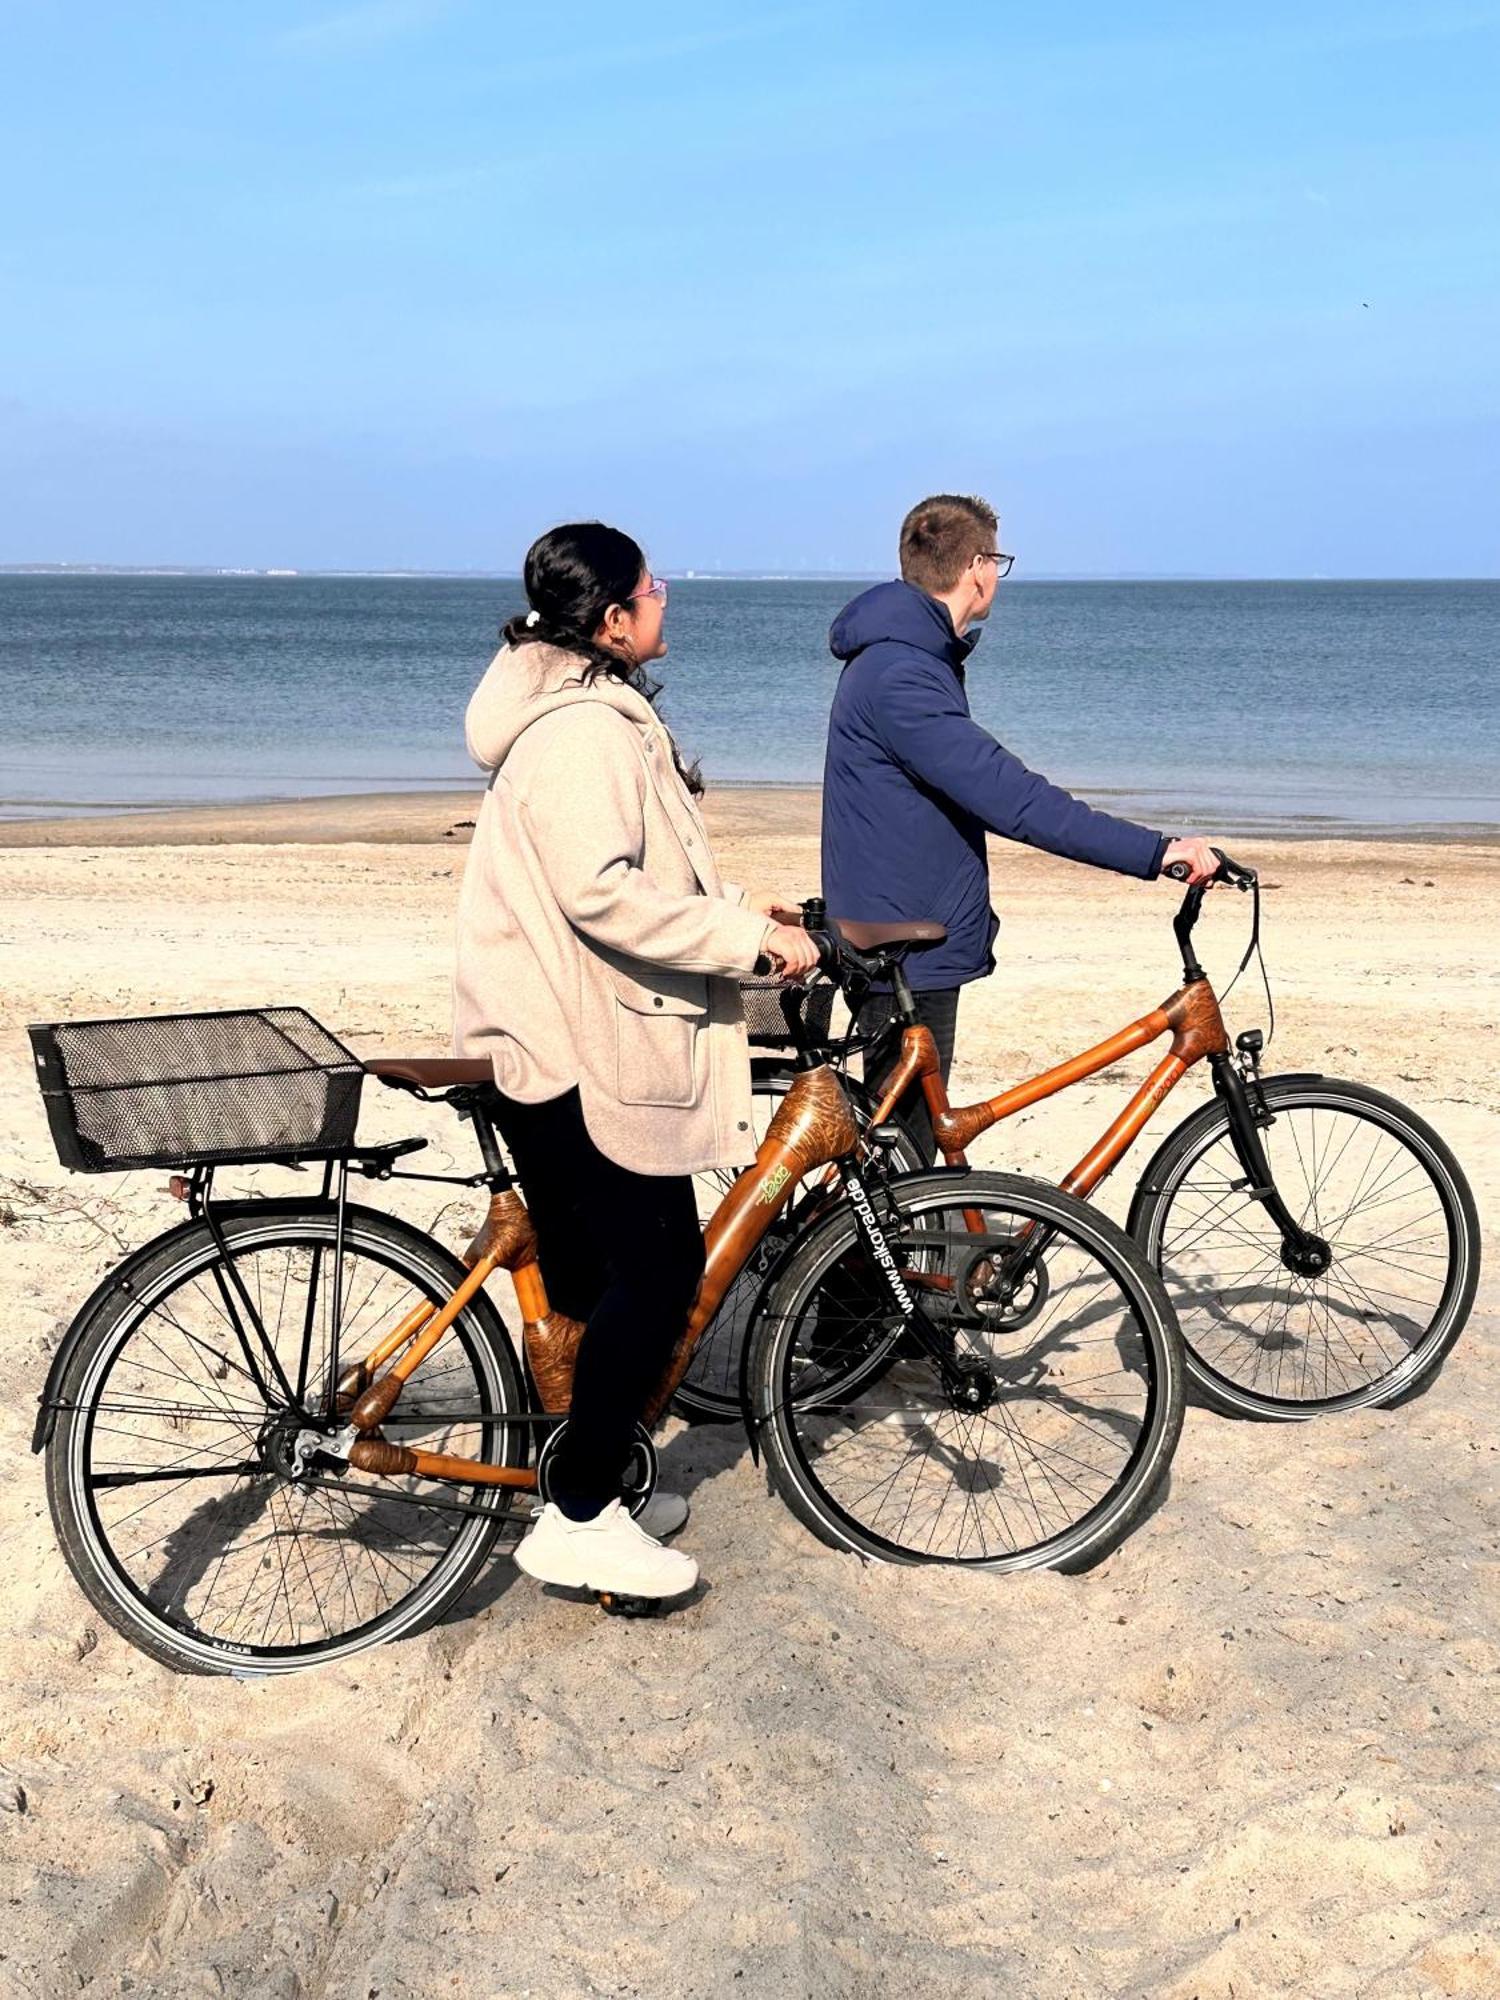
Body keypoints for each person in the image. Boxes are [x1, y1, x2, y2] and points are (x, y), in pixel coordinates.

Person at [453, 522, 818, 1605]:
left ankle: (595, 1484)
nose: (667, 594)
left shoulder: (579, 710)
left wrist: (742, 910)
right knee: (660, 1271)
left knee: (601, 1275)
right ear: (613, 619)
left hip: (560, 1019)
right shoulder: (583, 729)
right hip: (566, 1034)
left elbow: (626, 871)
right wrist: (743, 945)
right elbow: (599, 889)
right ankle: (573, 1514)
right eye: (651, 584)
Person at [821, 494, 1218, 1158]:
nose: (998, 575)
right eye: (998, 561)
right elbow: (1015, 800)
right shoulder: (903, 674)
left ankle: (903, 1254)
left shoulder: (909, 656)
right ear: (977, 567)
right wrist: (1158, 852)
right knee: (910, 1166)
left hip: (908, 926)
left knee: (910, 1157)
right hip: (905, 948)